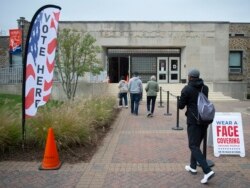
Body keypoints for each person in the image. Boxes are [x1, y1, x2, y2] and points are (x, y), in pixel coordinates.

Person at [178, 69, 215, 184]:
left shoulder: (187, 89)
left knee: (193, 145)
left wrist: (182, 98)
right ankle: (192, 166)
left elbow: (180, 106)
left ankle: (207, 171)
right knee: (196, 145)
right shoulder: (205, 88)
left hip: (194, 121)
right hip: (204, 120)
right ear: (198, 76)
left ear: (189, 77)